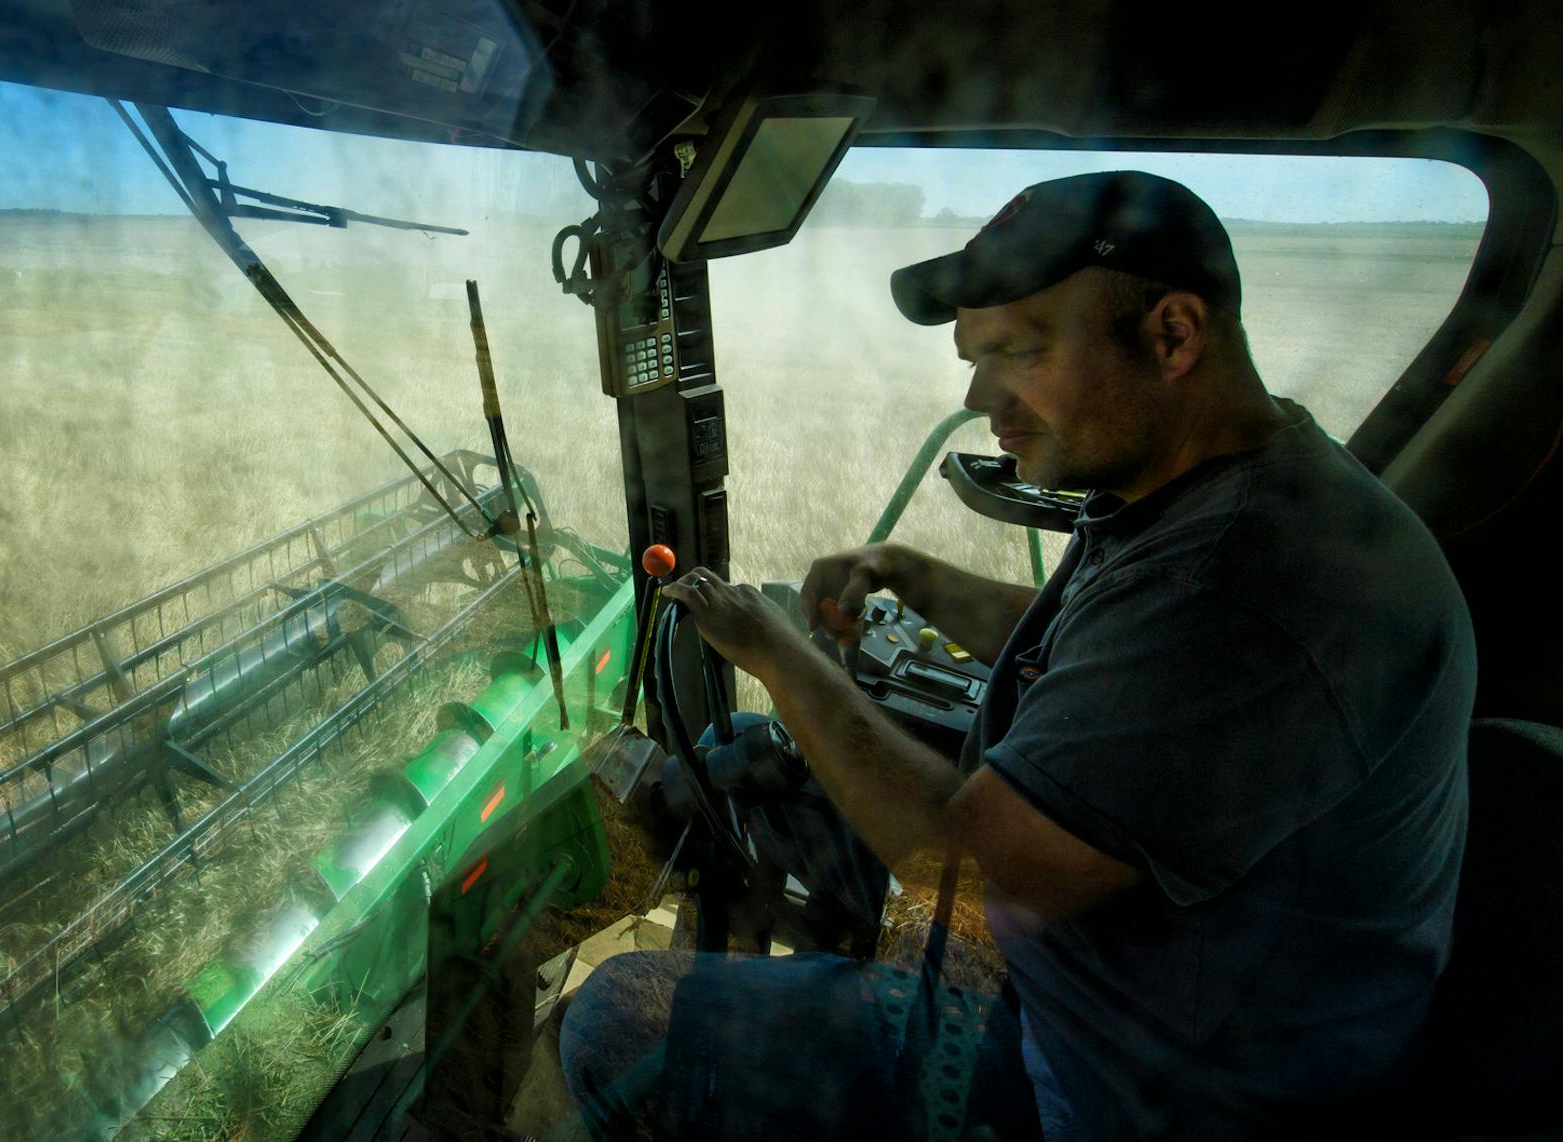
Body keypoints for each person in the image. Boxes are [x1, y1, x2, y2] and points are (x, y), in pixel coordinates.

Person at [558, 171, 1474, 1140]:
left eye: (1018, 352)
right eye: (975, 356)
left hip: (1122, 1075)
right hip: (1128, 962)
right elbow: (1097, 638)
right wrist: (909, 571)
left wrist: (778, 650)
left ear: (1172, 335)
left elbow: (972, 873)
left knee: (619, 1022)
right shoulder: (1214, 483)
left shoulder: (1241, 589)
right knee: (751, 756)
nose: (979, 396)